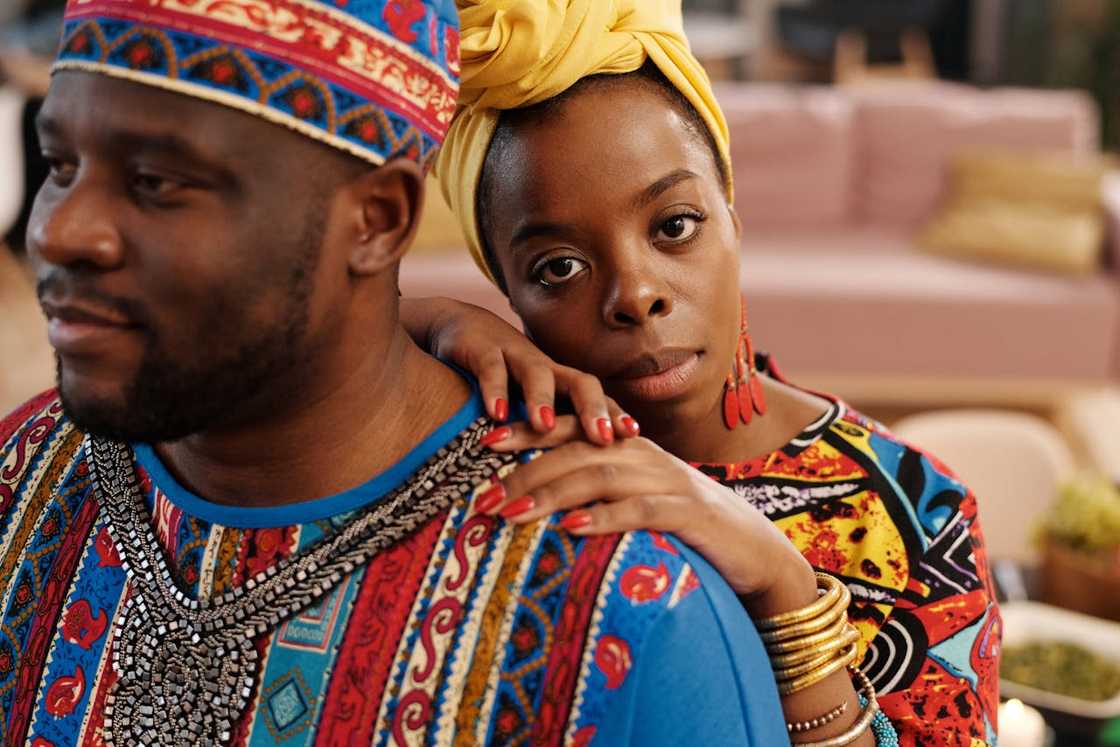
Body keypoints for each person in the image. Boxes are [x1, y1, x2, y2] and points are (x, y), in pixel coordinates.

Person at [0, 0, 792, 744]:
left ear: (378, 219)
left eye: (156, 183)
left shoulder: (625, 612)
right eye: (60, 165)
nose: (62, 232)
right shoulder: (21, 472)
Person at [404, 1, 1002, 745]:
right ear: (507, 292)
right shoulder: (499, 456)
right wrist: (427, 319)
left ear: (733, 217)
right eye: (558, 267)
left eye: (674, 225)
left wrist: (783, 587)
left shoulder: (919, 511)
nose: (635, 293)